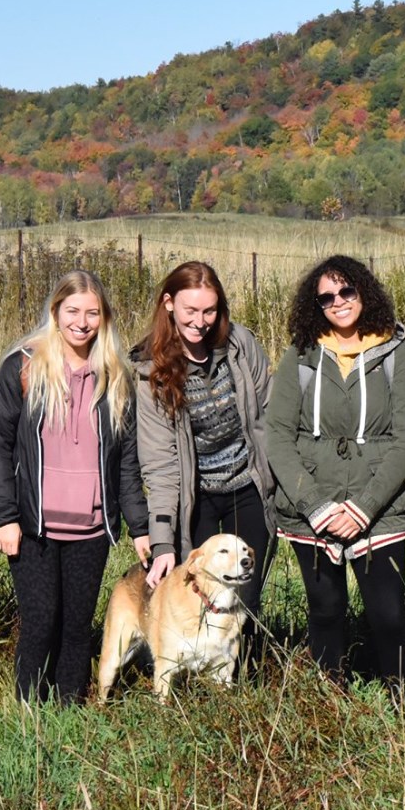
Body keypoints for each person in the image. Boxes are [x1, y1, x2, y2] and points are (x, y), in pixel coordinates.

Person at [265, 256, 405, 702]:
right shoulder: (300, 355)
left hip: (378, 508)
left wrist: (363, 508)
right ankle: (327, 706)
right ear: (315, 305)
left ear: (364, 292)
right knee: (326, 610)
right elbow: (277, 435)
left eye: (347, 292)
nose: (338, 302)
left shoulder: (396, 353)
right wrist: (314, 504)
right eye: (327, 297)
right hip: (310, 509)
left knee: (388, 614)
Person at [0, 270, 147, 704]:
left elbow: (126, 462)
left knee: (77, 626)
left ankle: (69, 712)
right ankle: (28, 714)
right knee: (41, 620)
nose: (82, 321)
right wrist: (5, 517)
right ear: (55, 312)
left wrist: (140, 525)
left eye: (93, 312)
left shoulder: (115, 376)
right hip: (33, 526)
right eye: (72, 310)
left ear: (104, 318)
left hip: (91, 529)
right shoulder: (23, 366)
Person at [134, 261, 276, 654]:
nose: (200, 322)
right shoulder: (151, 372)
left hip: (248, 487)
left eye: (209, 311)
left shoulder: (241, 346)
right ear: (168, 304)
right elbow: (161, 466)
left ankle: (242, 681)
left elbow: (271, 416)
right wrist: (162, 543)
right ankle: (192, 684)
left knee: (246, 592)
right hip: (196, 498)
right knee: (197, 592)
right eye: (190, 311)